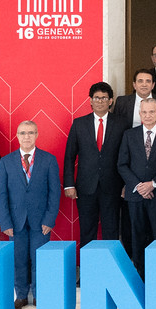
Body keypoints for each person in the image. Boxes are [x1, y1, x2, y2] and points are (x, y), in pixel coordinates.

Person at [0, 117, 63, 309]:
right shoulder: (6, 162)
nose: (27, 136)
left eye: (31, 132)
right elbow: (0, 194)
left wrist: (50, 219)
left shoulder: (48, 160)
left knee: (39, 260)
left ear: (37, 135)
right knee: (18, 260)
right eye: (23, 133)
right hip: (15, 222)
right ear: (17, 136)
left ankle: (39, 295)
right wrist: (6, 222)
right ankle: (22, 296)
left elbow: (54, 192)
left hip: (41, 221)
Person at [118, 98, 156, 271]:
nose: (148, 115)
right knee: (137, 236)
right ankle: (140, 273)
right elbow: (121, 164)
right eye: (144, 112)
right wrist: (138, 185)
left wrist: (153, 183)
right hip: (135, 196)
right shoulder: (129, 134)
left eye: (152, 112)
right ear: (139, 114)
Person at [64, 82, 125, 244]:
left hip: (113, 186)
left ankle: (111, 267)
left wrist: (126, 184)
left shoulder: (121, 124)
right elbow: (69, 156)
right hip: (85, 187)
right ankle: (87, 268)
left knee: (111, 230)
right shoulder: (79, 124)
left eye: (104, 98)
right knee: (87, 229)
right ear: (90, 100)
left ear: (110, 101)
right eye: (96, 98)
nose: (100, 101)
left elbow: (126, 156)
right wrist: (69, 184)